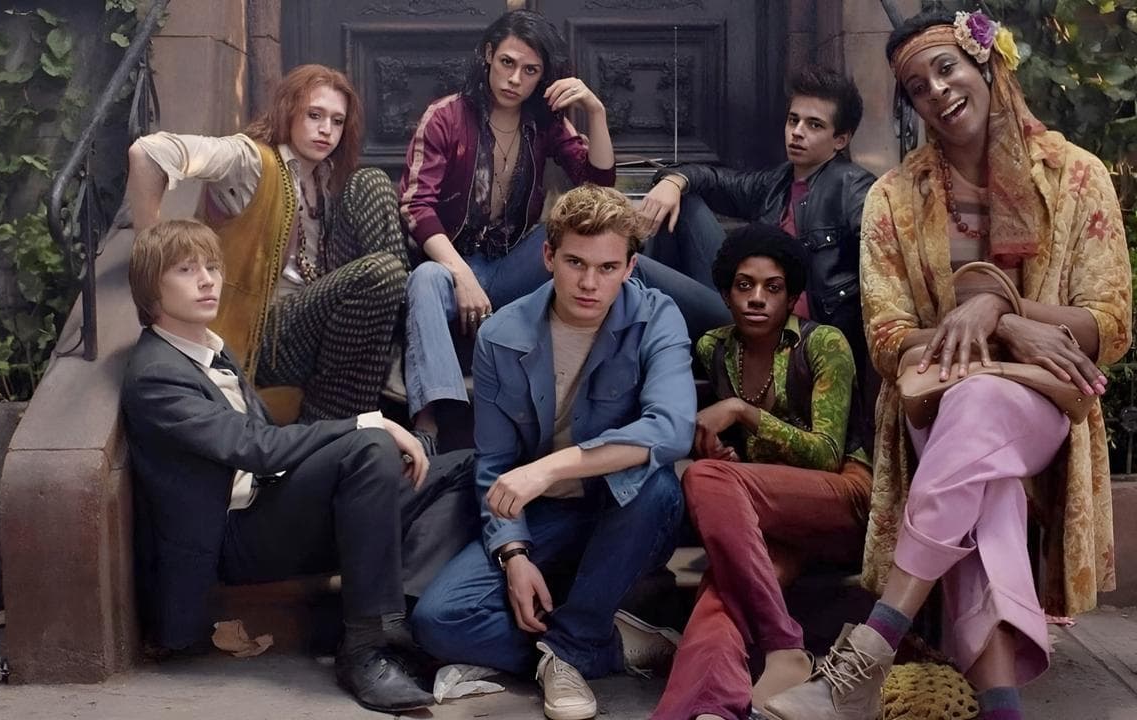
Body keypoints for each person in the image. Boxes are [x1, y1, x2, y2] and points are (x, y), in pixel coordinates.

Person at [762, 10, 1130, 720]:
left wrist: (997, 308)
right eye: (917, 86)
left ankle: (868, 650)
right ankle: (1001, 708)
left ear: (985, 63)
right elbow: (888, 337)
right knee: (985, 482)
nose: (937, 90)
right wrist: (997, 323)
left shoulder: (1077, 177)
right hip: (936, 397)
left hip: (1042, 400)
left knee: (980, 410)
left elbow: (1109, 325)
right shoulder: (894, 198)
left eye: (946, 68)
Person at [120, 219, 477, 714]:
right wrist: (366, 420)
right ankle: (364, 649)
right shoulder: (156, 374)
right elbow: (256, 447)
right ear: (150, 288)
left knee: (465, 468)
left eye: (212, 267)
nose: (207, 280)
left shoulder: (208, 351)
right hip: (234, 536)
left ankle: (400, 614)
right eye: (185, 270)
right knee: (368, 446)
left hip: (274, 505)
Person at [411, 185, 694, 720]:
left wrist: (547, 469)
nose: (590, 283)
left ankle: (568, 649)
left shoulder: (658, 316)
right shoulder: (501, 334)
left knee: (655, 484)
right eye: (575, 263)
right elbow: (495, 466)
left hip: (625, 513)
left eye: (608, 268)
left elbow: (673, 428)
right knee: (439, 620)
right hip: (544, 516)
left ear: (630, 267)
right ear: (548, 256)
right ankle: (599, 644)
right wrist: (513, 554)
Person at [400, 9, 723, 449]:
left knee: (604, 258)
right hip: (452, 264)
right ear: (488, 55)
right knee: (424, 279)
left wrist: (597, 111)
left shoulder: (544, 121)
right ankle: (429, 427)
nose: (515, 79)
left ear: (543, 76)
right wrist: (460, 274)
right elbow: (417, 205)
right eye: (507, 63)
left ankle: (714, 331)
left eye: (530, 70)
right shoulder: (446, 116)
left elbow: (597, 183)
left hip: (514, 262)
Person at [651, 223, 873, 720]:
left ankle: (781, 641)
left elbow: (826, 454)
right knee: (725, 585)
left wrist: (741, 412)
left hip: (843, 500)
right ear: (726, 293)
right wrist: (727, 455)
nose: (757, 298)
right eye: (744, 285)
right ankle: (710, 706)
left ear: (792, 298)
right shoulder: (714, 348)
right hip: (769, 509)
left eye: (773, 288)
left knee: (703, 479)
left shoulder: (823, 343)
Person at [126, 64, 408, 424]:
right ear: (288, 110)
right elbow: (148, 153)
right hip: (263, 337)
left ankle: (394, 351)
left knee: (373, 182)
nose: (326, 129)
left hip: (320, 321)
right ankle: (353, 403)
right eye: (314, 115)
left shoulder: (327, 179)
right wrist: (152, 261)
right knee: (380, 273)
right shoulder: (250, 161)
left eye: (337, 121)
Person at [637, 67, 877, 413]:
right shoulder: (777, 182)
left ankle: (649, 359)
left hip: (780, 332)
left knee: (636, 270)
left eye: (814, 125)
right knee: (683, 202)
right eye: (793, 120)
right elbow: (714, 179)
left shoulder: (854, 188)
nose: (797, 132)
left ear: (840, 139)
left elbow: (882, 252)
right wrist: (672, 181)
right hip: (746, 301)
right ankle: (665, 350)